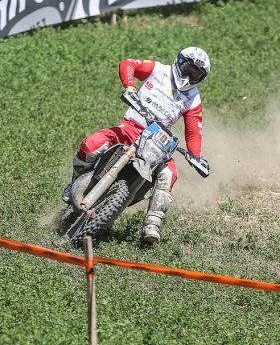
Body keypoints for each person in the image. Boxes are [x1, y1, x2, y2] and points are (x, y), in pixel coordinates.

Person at [63, 47, 210, 245]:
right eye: (189, 69)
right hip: (131, 127)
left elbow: (194, 130)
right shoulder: (158, 69)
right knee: (90, 145)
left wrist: (195, 155)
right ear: (180, 62)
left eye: (196, 74)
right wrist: (130, 87)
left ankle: (153, 223)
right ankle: (74, 183)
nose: (189, 77)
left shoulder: (193, 98)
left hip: (159, 141)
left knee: (170, 174)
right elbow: (128, 64)